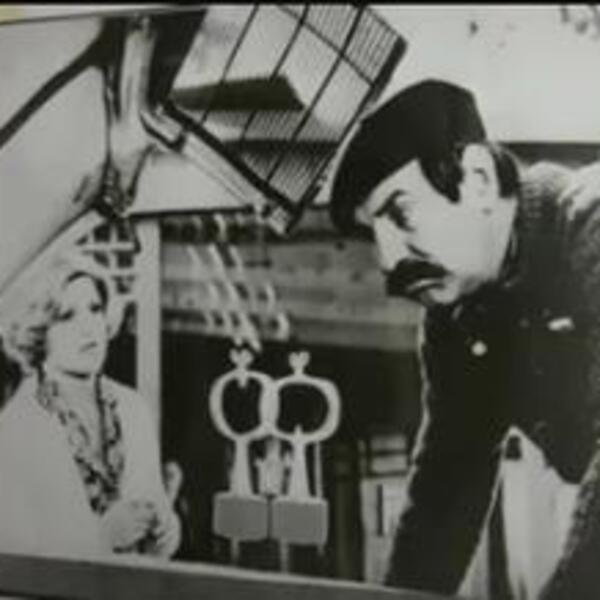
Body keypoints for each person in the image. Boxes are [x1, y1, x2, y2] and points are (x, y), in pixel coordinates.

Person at [328, 79, 600, 599]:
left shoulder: (591, 219)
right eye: (373, 235)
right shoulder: (457, 318)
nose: (389, 260)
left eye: (401, 214)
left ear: (477, 179)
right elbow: (444, 495)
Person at [0, 251, 180, 560]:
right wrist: (101, 537)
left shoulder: (132, 408)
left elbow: (156, 529)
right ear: (39, 332)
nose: (89, 327)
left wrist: (166, 530)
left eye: (95, 309)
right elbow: (12, 558)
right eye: (67, 316)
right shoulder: (17, 427)